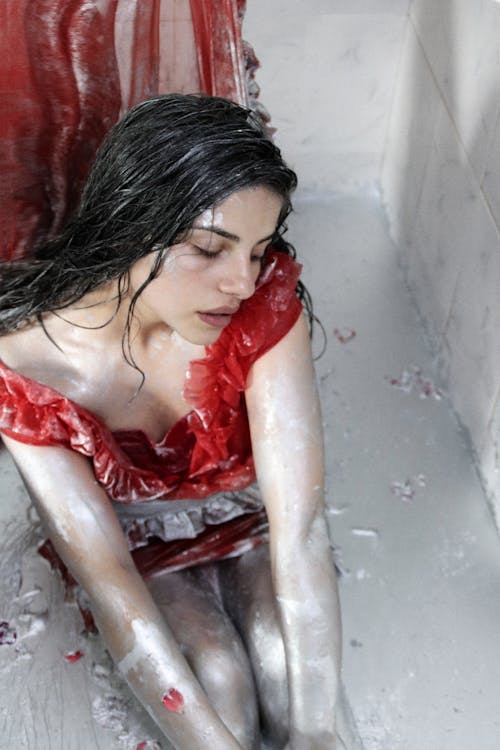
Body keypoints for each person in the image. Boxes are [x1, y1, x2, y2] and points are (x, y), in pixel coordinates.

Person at [0, 94, 351, 749]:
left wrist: (318, 732)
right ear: (133, 226)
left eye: (259, 250)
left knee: (282, 666)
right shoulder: (29, 366)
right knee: (219, 681)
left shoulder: (262, 311)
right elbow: (108, 579)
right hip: (133, 543)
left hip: (248, 514)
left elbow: (300, 528)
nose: (242, 284)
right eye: (210, 250)